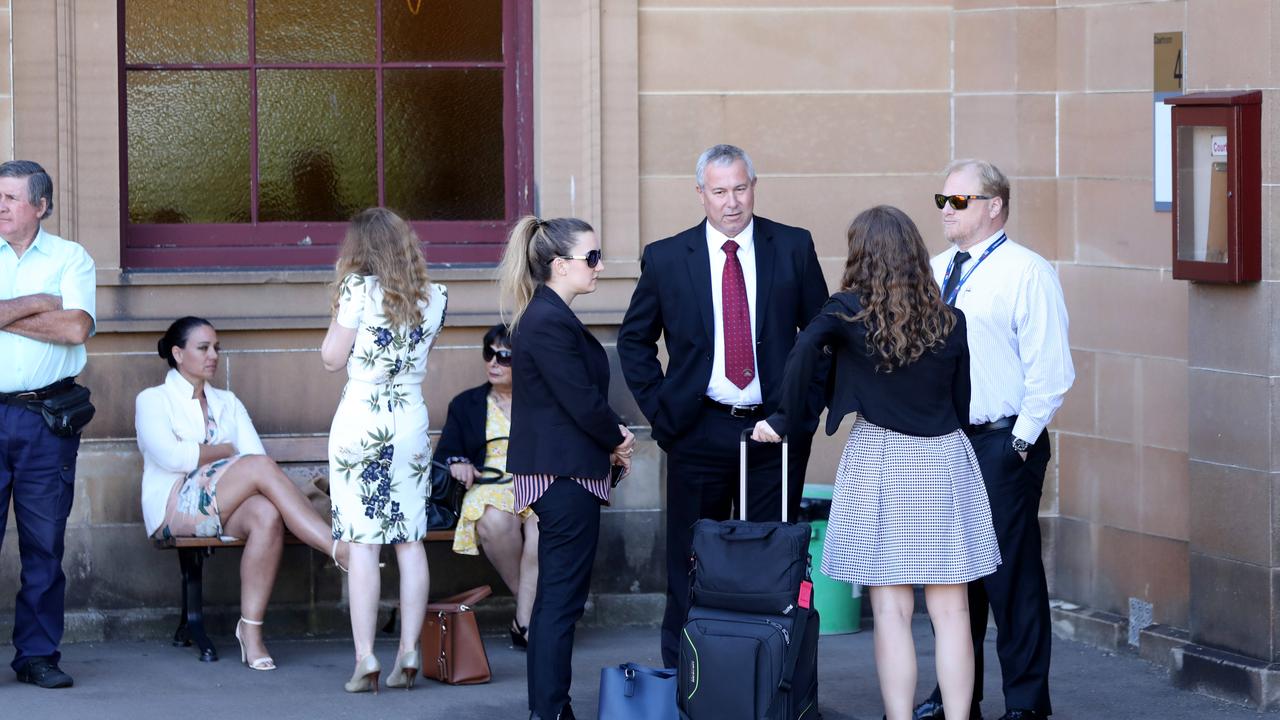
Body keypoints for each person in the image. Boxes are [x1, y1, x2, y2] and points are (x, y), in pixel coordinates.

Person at [752, 205, 1000, 720]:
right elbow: (962, 403)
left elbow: (802, 353)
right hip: (944, 461)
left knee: (891, 610)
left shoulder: (845, 313)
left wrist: (782, 418)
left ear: (860, 254)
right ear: (915, 253)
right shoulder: (951, 321)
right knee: (952, 611)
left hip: (881, 459)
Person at [617, 143, 829, 667]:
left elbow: (824, 336)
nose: (731, 202)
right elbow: (634, 342)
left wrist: (798, 417)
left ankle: (768, 681)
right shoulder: (667, 257)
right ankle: (685, 682)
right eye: (719, 191)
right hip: (698, 430)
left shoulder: (793, 247)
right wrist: (663, 416)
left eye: (740, 188)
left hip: (774, 434)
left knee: (771, 565)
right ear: (701, 194)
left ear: (753, 187)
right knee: (690, 564)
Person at [915, 160, 1074, 720]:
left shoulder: (1027, 272)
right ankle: (956, 698)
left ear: (994, 206)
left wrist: (1020, 444)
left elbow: (1050, 372)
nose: (946, 210)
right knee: (951, 577)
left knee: (1010, 578)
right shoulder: (932, 271)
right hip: (944, 442)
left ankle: (1027, 705)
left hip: (1003, 441)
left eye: (959, 201)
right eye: (942, 199)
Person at [136, 316, 351, 671]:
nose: (213, 355)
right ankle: (336, 547)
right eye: (203, 348)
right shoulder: (153, 400)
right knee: (257, 468)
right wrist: (225, 450)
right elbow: (172, 456)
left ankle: (250, 632)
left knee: (266, 515)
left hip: (219, 504)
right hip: (174, 507)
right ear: (177, 353)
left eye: (216, 348)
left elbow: (253, 457)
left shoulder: (227, 401)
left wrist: (222, 454)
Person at [497, 216, 635, 720]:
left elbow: (573, 398)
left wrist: (612, 440)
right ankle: (550, 710)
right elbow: (579, 399)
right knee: (559, 603)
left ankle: (552, 708)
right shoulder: (547, 320)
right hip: (564, 475)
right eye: (591, 258)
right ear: (559, 265)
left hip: (565, 472)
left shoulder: (548, 316)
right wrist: (618, 438)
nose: (599, 266)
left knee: (558, 601)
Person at [321, 207, 448, 693]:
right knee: (410, 538)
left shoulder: (356, 291)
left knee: (363, 539)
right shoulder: (435, 298)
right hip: (411, 421)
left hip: (361, 418)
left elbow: (332, 360)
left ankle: (365, 657)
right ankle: (409, 651)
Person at [0, 160, 94, 689]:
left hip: (45, 419)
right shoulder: (48, 278)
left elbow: (77, 326)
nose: (1, 205)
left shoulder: (71, 258)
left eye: (11, 197)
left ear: (40, 206)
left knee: (44, 544)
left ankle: (37, 656)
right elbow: (57, 318)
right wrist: (39, 302)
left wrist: (7, 313)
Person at [435, 322, 540, 649]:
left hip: (537, 479)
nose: (494, 362)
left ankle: (524, 621)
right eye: (489, 353)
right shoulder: (466, 403)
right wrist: (459, 463)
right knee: (493, 519)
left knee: (544, 527)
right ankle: (538, 616)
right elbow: (447, 452)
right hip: (489, 482)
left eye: (505, 356)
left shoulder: (543, 399)